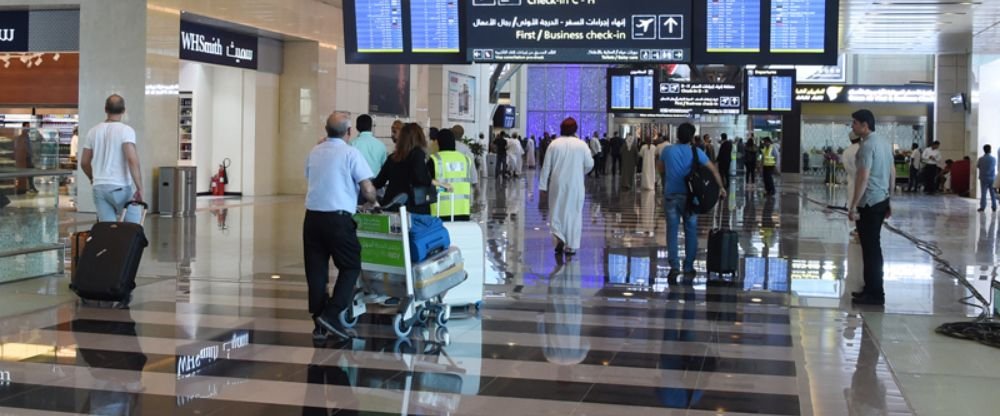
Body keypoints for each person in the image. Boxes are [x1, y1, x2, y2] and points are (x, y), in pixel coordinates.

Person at [304, 111, 379, 340]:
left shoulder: (314, 151)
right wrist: (373, 201)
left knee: (316, 272)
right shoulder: (351, 153)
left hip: (312, 219)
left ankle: (319, 322)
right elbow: (367, 188)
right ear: (349, 132)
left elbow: (310, 177)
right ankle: (333, 312)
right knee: (351, 265)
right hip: (338, 220)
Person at [656, 123, 726, 279]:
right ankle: (688, 266)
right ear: (691, 137)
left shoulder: (667, 151)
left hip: (671, 195)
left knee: (672, 231)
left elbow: (660, 167)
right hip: (690, 197)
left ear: (677, 135)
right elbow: (712, 169)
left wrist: (666, 179)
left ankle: (674, 266)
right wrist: (721, 187)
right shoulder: (696, 151)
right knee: (691, 230)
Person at [848, 109, 894, 306]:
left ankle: (875, 294)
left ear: (865, 125)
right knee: (872, 247)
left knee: (871, 249)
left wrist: (853, 205)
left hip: (869, 202)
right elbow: (892, 173)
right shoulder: (883, 143)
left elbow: (863, 177)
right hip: (881, 199)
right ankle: (871, 288)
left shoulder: (867, 146)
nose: (853, 126)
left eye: (855, 123)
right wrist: (889, 199)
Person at [80, 95, 144, 223]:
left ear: (105, 109)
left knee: (107, 230)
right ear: (124, 110)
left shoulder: (93, 131)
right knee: (133, 228)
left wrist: (93, 178)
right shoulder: (126, 131)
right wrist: (140, 187)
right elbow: (132, 159)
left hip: (99, 189)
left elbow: (84, 162)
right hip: (120, 188)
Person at [539, 118, 594, 256]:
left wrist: (542, 187)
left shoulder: (554, 144)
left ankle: (559, 238)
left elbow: (546, 167)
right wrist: (580, 171)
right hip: (575, 184)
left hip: (557, 184)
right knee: (574, 213)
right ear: (575, 129)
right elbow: (589, 164)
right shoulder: (582, 145)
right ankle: (571, 246)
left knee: (556, 211)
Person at [373, 123, 439, 215]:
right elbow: (421, 178)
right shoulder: (417, 154)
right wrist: (431, 181)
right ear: (420, 137)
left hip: (392, 204)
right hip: (413, 206)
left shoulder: (392, 158)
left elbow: (379, 182)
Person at [430, 129, 474, 220]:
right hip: (463, 210)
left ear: (438, 142)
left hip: (440, 211)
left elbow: (426, 181)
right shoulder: (465, 159)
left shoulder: (434, 160)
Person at [13, 121, 38, 194]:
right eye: (27, 126)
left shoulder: (27, 136)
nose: (29, 128)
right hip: (25, 158)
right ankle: (29, 187)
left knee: (31, 173)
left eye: (29, 126)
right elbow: (22, 148)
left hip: (29, 157)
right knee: (28, 173)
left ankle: (31, 187)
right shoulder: (21, 137)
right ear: (23, 127)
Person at [843, 132, 862, 223]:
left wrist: (854, 175)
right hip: (865, 181)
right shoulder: (864, 148)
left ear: (850, 140)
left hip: (852, 181)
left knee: (852, 200)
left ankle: (855, 226)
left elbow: (847, 167)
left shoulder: (846, 152)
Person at [978, 145, 998, 213]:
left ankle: (982, 207)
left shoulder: (981, 159)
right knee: (992, 193)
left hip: (983, 178)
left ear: (984, 150)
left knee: (983, 193)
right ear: (990, 150)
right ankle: (994, 206)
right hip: (992, 177)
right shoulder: (993, 159)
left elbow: (978, 166)